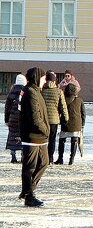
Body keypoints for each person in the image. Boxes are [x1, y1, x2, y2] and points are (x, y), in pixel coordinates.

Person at [19, 67, 50, 207]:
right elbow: (35, 118)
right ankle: (29, 195)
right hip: (32, 136)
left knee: (44, 163)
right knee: (30, 166)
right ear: (37, 77)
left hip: (41, 137)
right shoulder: (30, 92)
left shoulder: (37, 91)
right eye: (43, 78)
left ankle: (28, 190)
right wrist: (45, 130)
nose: (45, 81)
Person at [38, 72, 65, 165]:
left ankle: (42, 157)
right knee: (52, 140)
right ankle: (50, 158)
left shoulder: (41, 91)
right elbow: (63, 107)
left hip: (43, 119)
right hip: (54, 120)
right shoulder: (59, 92)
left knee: (43, 139)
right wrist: (65, 119)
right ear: (54, 81)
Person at [57, 83, 84, 165]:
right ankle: (71, 159)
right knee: (74, 140)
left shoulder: (63, 99)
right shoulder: (79, 100)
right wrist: (82, 124)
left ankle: (60, 158)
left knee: (62, 140)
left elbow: (59, 110)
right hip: (76, 124)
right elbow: (83, 113)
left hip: (65, 123)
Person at [6, 74, 26, 164]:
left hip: (12, 119)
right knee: (22, 136)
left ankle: (13, 156)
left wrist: (7, 119)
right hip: (22, 119)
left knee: (12, 136)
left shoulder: (11, 93)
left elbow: (7, 108)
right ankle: (23, 155)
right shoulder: (25, 92)